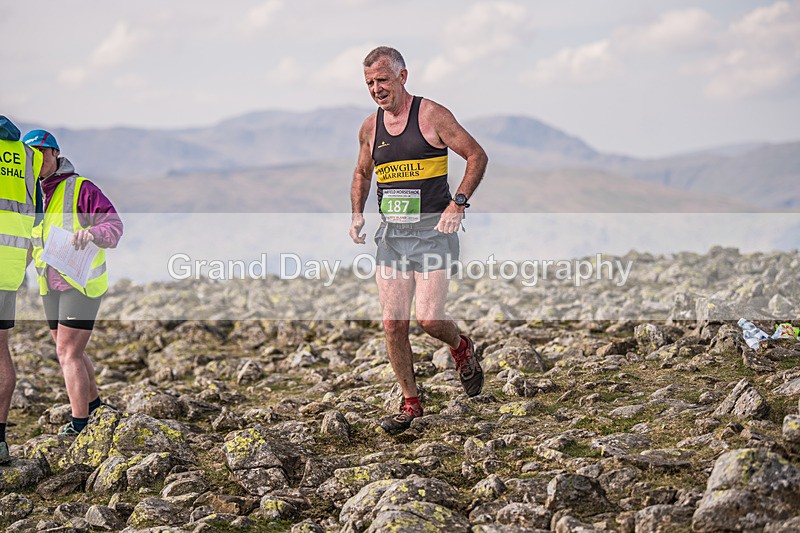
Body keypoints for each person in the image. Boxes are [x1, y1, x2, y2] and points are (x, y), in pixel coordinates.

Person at [349, 47, 489, 434]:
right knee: (393, 323)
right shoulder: (369, 128)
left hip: (433, 235)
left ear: (403, 77)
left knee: (428, 319)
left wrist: (458, 203)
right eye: (370, 83)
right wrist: (357, 214)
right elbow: (362, 173)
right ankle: (411, 403)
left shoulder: (431, 116)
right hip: (392, 237)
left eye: (383, 80)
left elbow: (476, 156)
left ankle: (460, 347)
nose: (377, 89)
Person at [23, 129, 123, 436]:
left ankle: (79, 426)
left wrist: (92, 234)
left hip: (80, 283)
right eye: (30, 155)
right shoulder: (29, 195)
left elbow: (114, 225)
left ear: (55, 153)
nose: (36, 160)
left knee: (68, 352)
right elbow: (31, 241)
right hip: (48, 283)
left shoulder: (80, 188)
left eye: (42, 152)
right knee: (68, 350)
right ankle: (94, 408)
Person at [0, 116, 42, 462]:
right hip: (9, 269)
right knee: (1, 353)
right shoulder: (28, 158)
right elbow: (37, 221)